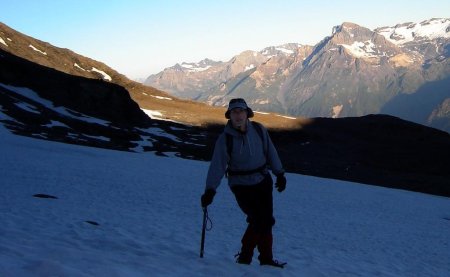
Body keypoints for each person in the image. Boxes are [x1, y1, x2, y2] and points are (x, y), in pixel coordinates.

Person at [201, 98, 287, 268]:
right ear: (229, 116)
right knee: (258, 219)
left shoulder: (259, 129)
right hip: (240, 185)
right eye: (234, 112)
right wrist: (210, 190)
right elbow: (217, 166)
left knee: (266, 220)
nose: (238, 115)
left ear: (247, 113)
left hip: (263, 180)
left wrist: (280, 173)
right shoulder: (225, 139)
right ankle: (247, 256)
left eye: (241, 111)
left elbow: (271, 151)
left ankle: (265, 258)